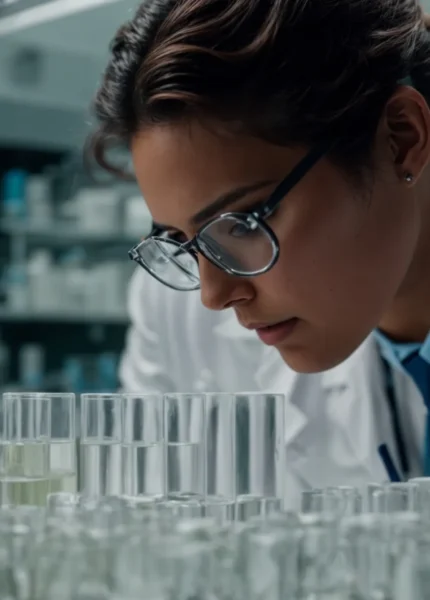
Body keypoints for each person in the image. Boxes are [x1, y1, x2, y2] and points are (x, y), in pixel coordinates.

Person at [90, 0, 430, 506]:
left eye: (243, 223)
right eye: (183, 241)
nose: (213, 294)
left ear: (402, 138)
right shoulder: (177, 309)